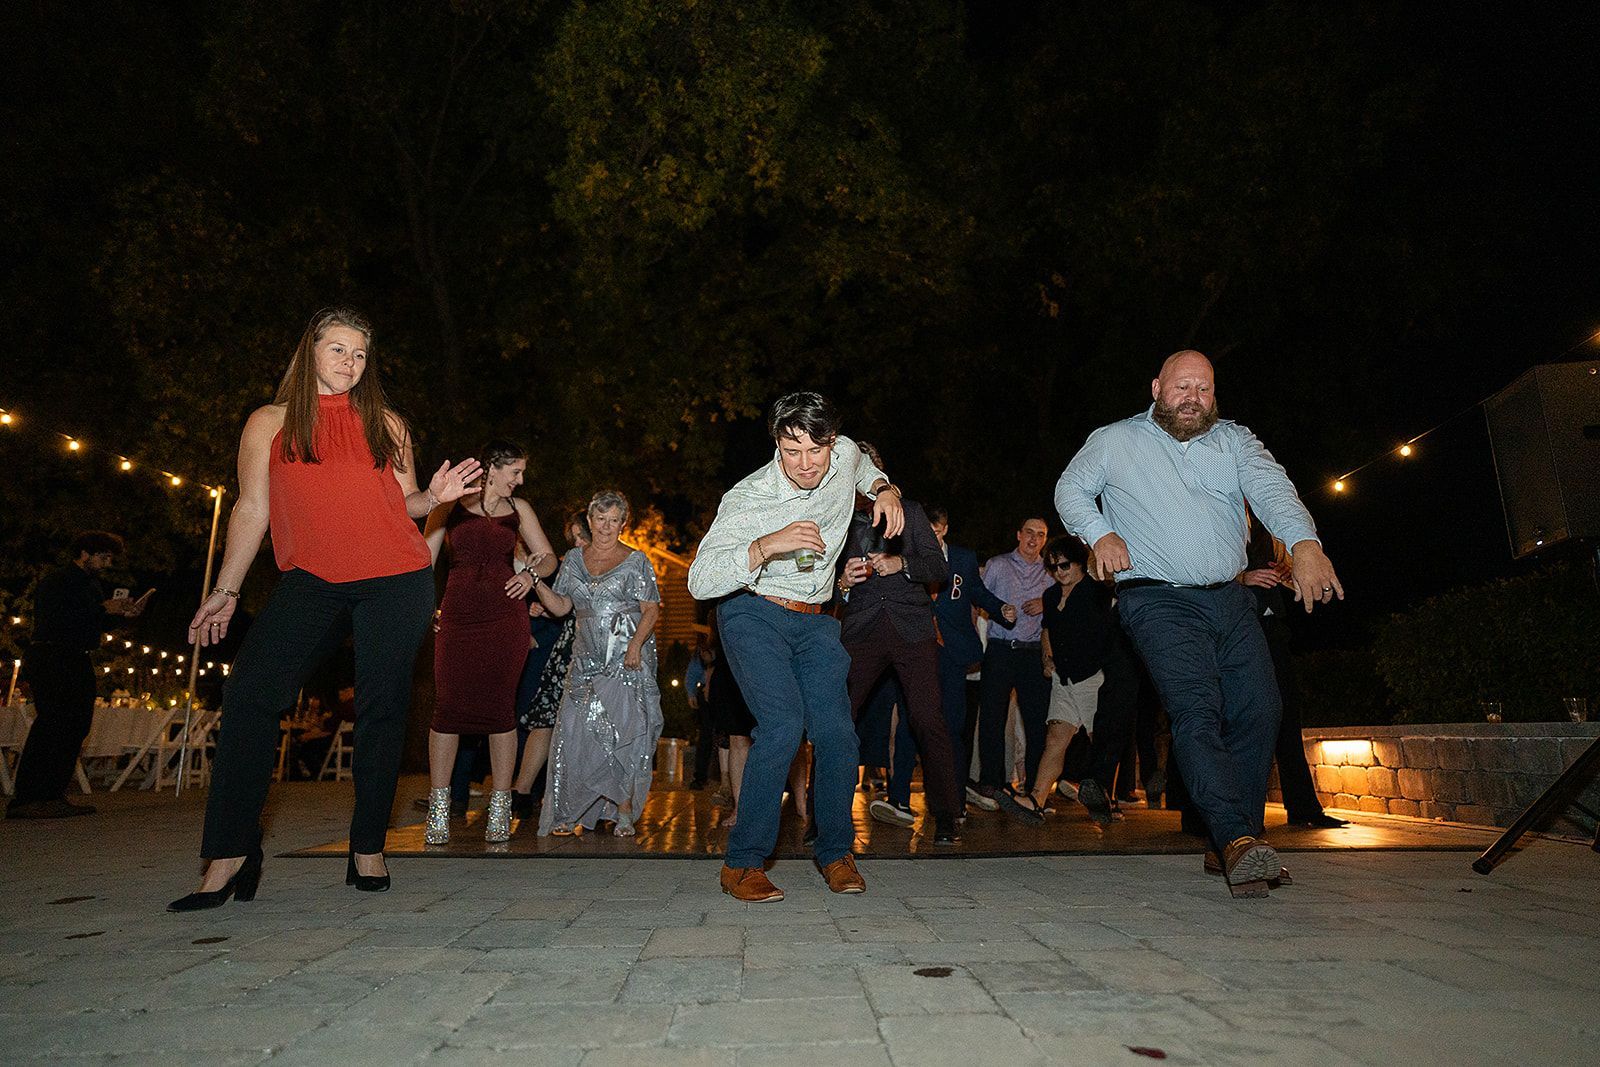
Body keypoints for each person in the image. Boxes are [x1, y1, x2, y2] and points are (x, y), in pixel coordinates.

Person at [169, 306, 482, 912]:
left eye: (360, 354)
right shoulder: (268, 423)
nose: (351, 362)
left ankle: (367, 846)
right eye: (338, 349)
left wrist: (435, 497)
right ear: (309, 351)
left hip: (396, 576)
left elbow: (406, 503)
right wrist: (227, 589)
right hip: (311, 578)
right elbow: (253, 509)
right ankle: (230, 852)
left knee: (382, 708)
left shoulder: (386, 423)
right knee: (251, 693)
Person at [1055, 349, 1343, 897]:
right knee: (1197, 708)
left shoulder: (1235, 441)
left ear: (1215, 394)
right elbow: (1070, 490)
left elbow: (1275, 492)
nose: (1193, 398)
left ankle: (1234, 841)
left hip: (1229, 599)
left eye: (1204, 389)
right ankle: (1237, 838)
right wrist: (1100, 533)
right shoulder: (1115, 440)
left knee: (1262, 706)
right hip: (1156, 599)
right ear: (1157, 387)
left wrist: (1305, 544)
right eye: (1182, 387)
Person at [687, 392, 903, 903]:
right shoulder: (749, 498)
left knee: (837, 734)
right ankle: (742, 864)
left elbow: (862, 464)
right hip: (752, 610)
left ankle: (834, 853)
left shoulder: (845, 453)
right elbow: (700, 579)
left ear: (831, 442)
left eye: (816, 450)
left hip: (815, 620)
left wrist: (884, 489)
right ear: (777, 446)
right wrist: (767, 545)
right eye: (792, 452)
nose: (806, 464)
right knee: (782, 725)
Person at [421, 440, 557, 845]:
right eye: (515, 472)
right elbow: (424, 559)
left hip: (505, 619)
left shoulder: (520, 511)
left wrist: (531, 576)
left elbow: (547, 556)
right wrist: (424, 608)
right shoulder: (452, 503)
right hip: (458, 615)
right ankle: (440, 807)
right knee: (447, 706)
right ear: (492, 470)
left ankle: (501, 805)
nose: (520, 480)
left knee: (501, 709)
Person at [835, 444, 961, 844]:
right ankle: (822, 820)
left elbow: (938, 566)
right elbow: (819, 586)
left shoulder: (912, 513)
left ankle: (946, 817)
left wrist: (901, 565)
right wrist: (843, 583)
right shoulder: (836, 518)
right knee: (836, 722)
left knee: (928, 720)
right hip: (861, 632)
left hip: (913, 631)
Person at [532, 490, 663, 837]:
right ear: (589, 522)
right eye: (600, 519)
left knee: (624, 735)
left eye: (614, 520)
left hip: (625, 659)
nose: (606, 527)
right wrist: (535, 583)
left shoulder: (636, 561)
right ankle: (568, 809)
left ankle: (623, 811)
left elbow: (651, 609)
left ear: (623, 523)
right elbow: (561, 607)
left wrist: (635, 646)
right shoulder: (573, 559)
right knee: (575, 733)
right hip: (586, 656)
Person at [7, 532, 145, 819]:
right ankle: (28, 798)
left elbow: (93, 621)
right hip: (52, 655)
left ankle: (53, 794)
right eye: (103, 556)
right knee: (52, 723)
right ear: (85, 553)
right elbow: (57, 619)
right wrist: (100, 608)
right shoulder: (57, 582)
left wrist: (120, 614)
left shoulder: (92, 586)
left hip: (77, 657)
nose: (107, 563)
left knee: (77, 724)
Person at [1243, 514, 1347, 829]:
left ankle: (1304, 808)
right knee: (1237, 717)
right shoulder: (1213, 504)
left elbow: (1289, 567)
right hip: (1235, 624)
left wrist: (1291, 573)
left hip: (1274, 623)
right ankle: (1236, 815)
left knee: (1287, 714)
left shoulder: (1268, 517)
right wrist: (1243, 578)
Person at [925, 505, 1016, 815]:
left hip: (953, 652)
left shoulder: (962, 558)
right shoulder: (909, 557)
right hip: (917, 651)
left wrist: (1001, 608)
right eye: (927, 531)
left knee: (953, 726)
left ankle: (955, 804)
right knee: (917, 727)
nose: (932, 536)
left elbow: (978, 592)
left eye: (937, 531)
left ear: (945, 529)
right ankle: (908, 798)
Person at [972, 517, 1055, 821]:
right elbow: (980, 597)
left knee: (1037, 722)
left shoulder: (1050, 574)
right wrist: (998, 609)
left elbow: (1063, 603)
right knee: (992, 717)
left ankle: (1034, 790)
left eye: (1041, 535)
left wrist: (1046, 604)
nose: (1034, 539)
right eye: (1029, 533)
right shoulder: (997, 564)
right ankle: (992, 785)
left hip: (1033, 654)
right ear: (1018, 535)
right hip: (1001, 649)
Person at [511, 510, 590, 818]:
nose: (577, 543)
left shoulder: (620, 562)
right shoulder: (571, 563)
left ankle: (589, 800)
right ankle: (521, 792)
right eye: (573, 538)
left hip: (601, 649)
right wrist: (541, 596)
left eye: (581, 536)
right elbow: (563, 605)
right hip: (567, 648)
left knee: (590, 726)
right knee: (544, 716)